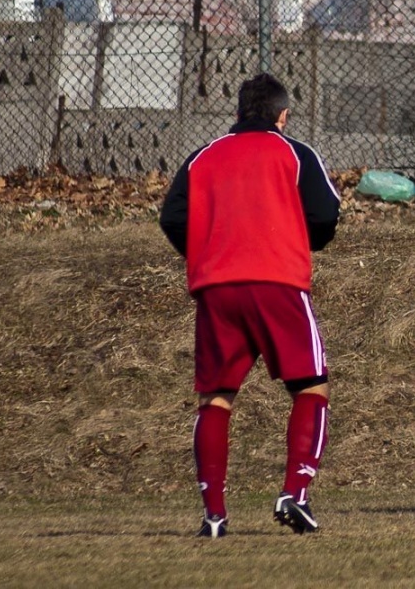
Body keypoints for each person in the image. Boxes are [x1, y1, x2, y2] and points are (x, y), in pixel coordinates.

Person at [160, 73, 340, 537]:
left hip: (217, 287)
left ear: (237, 113)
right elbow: (325, 215)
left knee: (215, 397)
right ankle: (294, 492)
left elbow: (173, 215)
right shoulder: (294, 151)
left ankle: (214, 515)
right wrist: (300, 239)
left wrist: (206, 251)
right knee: (311, 387)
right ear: (283, 116)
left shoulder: (204, 156)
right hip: (278, 281)